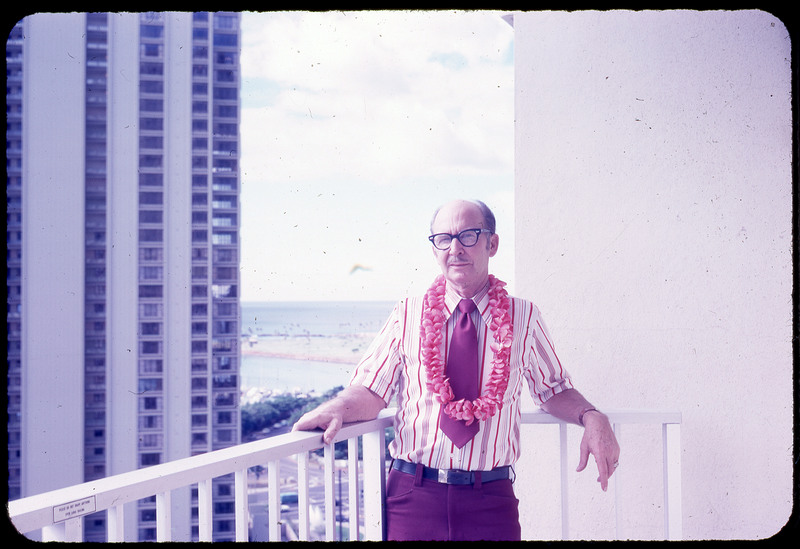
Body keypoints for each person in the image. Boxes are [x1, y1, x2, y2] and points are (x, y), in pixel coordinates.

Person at [293, 199, 620, 541]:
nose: (455, 249)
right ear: (434, 248)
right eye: (443, 239)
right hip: (413, 495)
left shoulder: (524, 317)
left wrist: (591, 415)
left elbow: (553, 389)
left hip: (490, 500)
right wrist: (335, 408)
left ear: (491, 243)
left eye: (468, 235)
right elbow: (371, 390)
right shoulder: (407, 314)